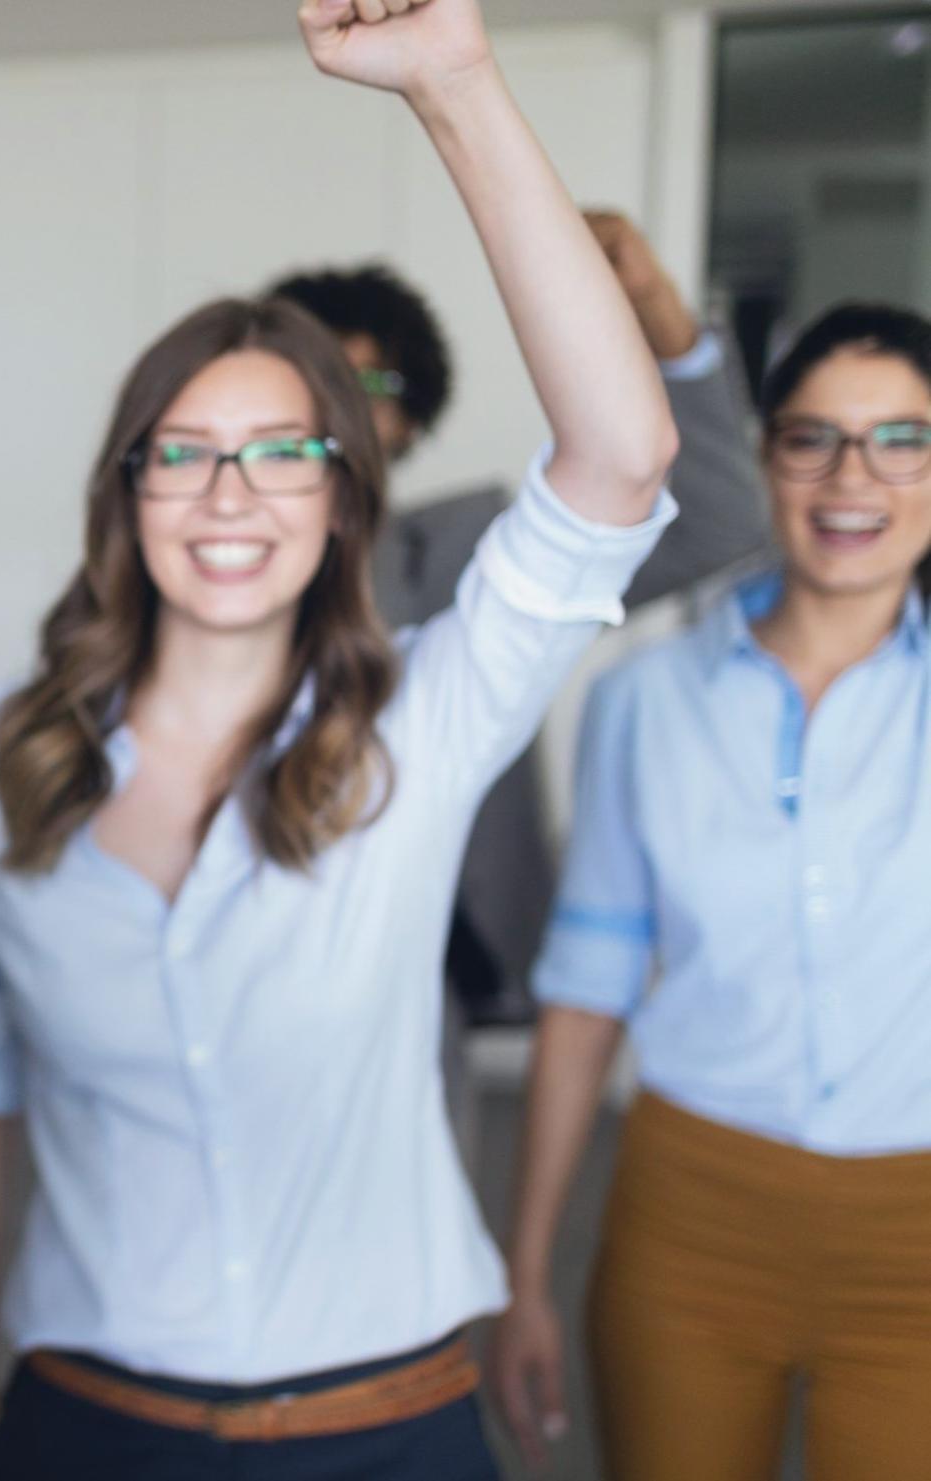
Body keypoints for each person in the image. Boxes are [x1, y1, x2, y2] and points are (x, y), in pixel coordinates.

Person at [0, 1, 681, 1475]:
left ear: (343, 498)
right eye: (187, 456)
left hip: (384, 1427)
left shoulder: (423, 714)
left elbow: (620, 456)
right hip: (81, 1421)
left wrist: (451, 83)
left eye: (284, 454)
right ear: (127, 492)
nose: (231, 496)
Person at [491, 302, 931, 1481]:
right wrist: (527, 1271)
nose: (854, 478)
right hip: (688, 1214)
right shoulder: (647, 700)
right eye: (814, 438)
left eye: (902, 440)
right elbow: (585, 991)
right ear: (765, 456)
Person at [272, 214, 772, 1020]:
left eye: (370, 385)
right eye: (311, 380)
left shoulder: (475, 551)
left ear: (411, 419)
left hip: (423, 972)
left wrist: (657, 312)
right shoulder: (191, 554)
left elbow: (718, 522)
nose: (338, 410)